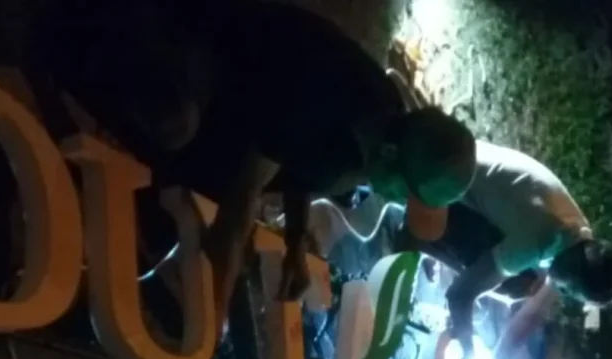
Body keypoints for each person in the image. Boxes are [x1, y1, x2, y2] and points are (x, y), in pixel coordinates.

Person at [36, 0, 477, 329]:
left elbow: (301, 168)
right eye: (406, 192)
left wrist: (295, 243)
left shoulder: (377, 133)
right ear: (390, 156)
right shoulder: (327, 93)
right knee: (174, 125)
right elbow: (244, 196)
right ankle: (65, 53)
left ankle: (137, 185)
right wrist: (215, 311)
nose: (397, 201)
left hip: (242, 111)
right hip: (201, 42)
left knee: (196, 187)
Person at [401, 140, 612, 359]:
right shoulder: (540, 236)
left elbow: (533, 316)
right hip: (431, 172)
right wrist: (467, 351)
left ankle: (435, 242)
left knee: (524, 285)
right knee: (508, 284)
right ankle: (416, 232)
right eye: (568, 289)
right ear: (577, 266)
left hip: (458, 159)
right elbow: (458, 295)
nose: (561, 291)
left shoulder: (576, 235)